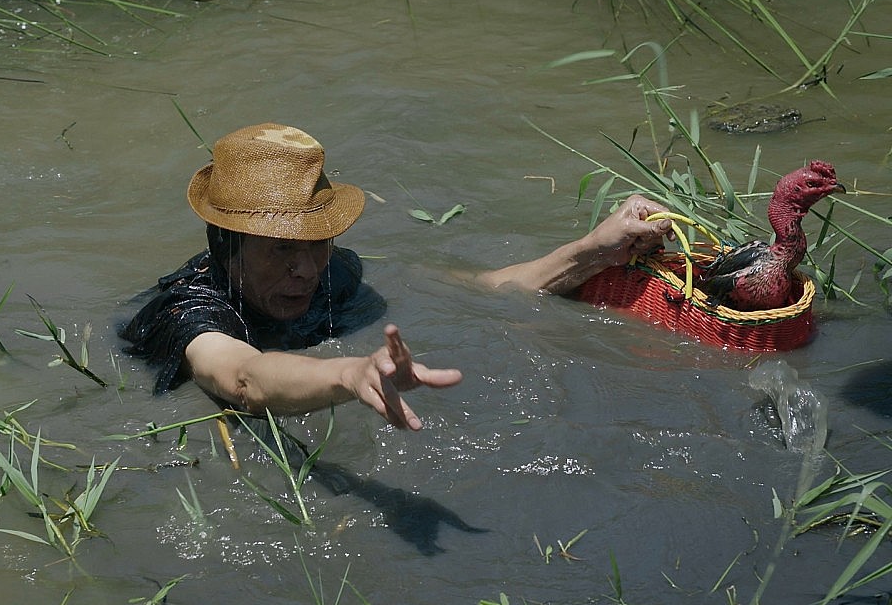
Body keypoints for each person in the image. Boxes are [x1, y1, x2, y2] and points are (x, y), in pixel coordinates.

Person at [119, 122, 671, 430]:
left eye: (318, 242)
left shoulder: (333, 272)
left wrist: (592, 252)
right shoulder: (191, 312)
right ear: (226, 249)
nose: (306, 269)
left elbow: (477, 286)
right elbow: (243, 379)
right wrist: (349, 374)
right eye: (281, 250)